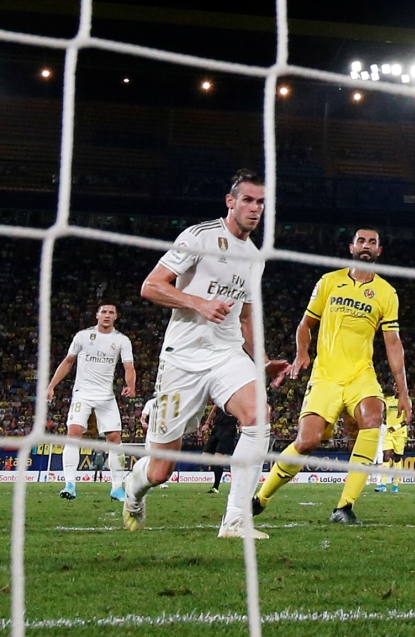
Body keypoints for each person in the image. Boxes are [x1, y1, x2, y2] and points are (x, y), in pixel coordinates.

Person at [123, 168, 289, 538]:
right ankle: (134, 492)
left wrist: (261, 359)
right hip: (182, 358)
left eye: (261, 202)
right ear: (230, 202)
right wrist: (197, 302)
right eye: (247, 200)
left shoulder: (254, 257)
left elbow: (246, 316)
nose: (255, 208)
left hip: (226, 354)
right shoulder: (199, 236)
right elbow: (151, 286)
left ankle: (234, 521)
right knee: (160, 470)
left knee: (258, 416)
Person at [255, 227, 412, 524]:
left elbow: (393, 343)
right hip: (326, 375)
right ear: (351, 247)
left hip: (360, 375)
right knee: (308, 441)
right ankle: (261, 498)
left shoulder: (387, 293)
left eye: (373, 242)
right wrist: (302, 352)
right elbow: (305, 325)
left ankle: (344, 506)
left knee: (373, 417)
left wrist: (403, 391)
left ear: (380, 251)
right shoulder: (329, 282)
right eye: (361, 241)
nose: (366, 246)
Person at [47, 303, 135, 501]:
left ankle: (116, 488)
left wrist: (131, 385)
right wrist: (51, 385)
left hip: (106, 396)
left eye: (111, 312)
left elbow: (129, 367)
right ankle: (69, 484)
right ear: (97, 315)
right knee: (74, 433)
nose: (107, 315)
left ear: (116, 317)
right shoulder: (82, 336)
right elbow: (68, 362)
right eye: (103, 312)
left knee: (115, 439)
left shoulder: (122, 340)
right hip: (83, 393)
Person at [374, 387, 408, 493]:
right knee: (386, 456)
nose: (397, 389)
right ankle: (383, 484)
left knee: (397, 458)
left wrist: (396, 427)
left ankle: (395, 485)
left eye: (399, 387)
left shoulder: (407, 401)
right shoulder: (388, 400)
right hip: (389, 432)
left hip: (400, 433)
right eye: (396, 387)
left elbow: (408, 419)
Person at [201, 406, 240, 494]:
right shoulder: (220, 398)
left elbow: (243, 412)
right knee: (204, 457)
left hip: (228, 430)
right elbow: (214, 410)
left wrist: (241, 424)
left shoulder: (237, 399)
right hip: (216, 428)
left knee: (218, 459)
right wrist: (207, 423)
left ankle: (215, 487)